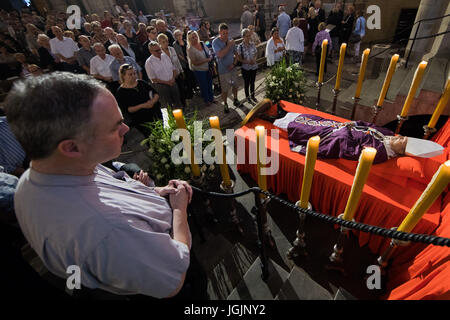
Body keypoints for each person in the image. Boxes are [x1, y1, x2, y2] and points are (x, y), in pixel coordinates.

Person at [4, 72, 206, 299]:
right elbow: (174, 278)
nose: (126, 130)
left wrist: (153, 191)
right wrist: (179, 208)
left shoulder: (56, 169)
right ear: (71, 147)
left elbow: (110, 185)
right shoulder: (105, 229)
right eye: (115, 126)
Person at [272, 112, 443, 164]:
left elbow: (350, 150)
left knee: (306, 128)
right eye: (402, 137)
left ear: (400, 152)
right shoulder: (390, 135)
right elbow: (369, 125)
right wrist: (354, 122)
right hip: (343, 128)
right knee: (317, 119)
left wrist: (345, 130)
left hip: (335, 137)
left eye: (401, 141)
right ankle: (282, 113)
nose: (399, 137)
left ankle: (273, 120)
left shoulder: (381, 153)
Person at [115, 64, 162, 135]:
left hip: (155, 114)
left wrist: (152, 102)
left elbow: (156, 94)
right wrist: (143, 106)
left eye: (134, 73)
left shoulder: (141, 83)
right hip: (142, 121)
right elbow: (127, 109)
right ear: (123, 76)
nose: (133, 76)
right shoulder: (121, 92)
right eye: (130, 74)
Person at [145, 41, 183, 109]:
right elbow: (153, 79)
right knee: (168, 106)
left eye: (160, 49)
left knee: (178, 102)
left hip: (173, 82)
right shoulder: (149, 62)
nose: (159, 51)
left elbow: (173, 68)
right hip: (162, 87)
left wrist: (173, 78)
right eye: (157, 50)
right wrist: (167, 82)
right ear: (151, 51)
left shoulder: (165, 56)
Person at [212, 23, 240, 113]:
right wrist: (228, 45)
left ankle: (235, 99)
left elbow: (237, 54)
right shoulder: (215, 42)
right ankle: (225, 103)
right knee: (225, 89)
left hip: (233, 69)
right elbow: (220, 54)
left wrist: (234, 64)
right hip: (223, 71)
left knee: (235, 85)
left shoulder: (230, 40)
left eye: (227, 33)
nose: (226, 36)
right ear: (219, 32)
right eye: (223, 33)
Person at [157, 33, 186, 107]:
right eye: (163, 42)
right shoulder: (159, 54)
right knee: (173, 95)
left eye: (166, 41)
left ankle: (184, 106)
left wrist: (181, 71)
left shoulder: (172, 49)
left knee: (181, 91)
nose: (165, 43)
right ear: (159, 43)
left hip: (178, 73)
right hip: (169, 77)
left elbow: (177, 61)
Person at [186, 30, 214, 105]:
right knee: (203, 86)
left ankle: (211, 99)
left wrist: (210, 56)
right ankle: (207, 101)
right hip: (199, 70)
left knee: (210, 84)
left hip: (207, 68)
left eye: (195, 36)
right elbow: (194, 63)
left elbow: (208, 51)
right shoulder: (190, 49)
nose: (194, 38)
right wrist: (206, 60)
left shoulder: (201, 43)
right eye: (192, 37)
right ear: (189, 39)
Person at [173, 29, 196, 99]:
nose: (179, 36)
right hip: (183, 63)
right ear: (175, 36)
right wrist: (186, 60)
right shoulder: (175, 44)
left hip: (190, 61)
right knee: (187, 78)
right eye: (177, 35)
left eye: (180, 34)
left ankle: (194, 87)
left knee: (192, 76)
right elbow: (178, 55)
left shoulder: (185, 41)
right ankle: (190, 93)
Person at [237, 28, 258, 105]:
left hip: (254, 66)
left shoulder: (252, 44)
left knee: (252, 82)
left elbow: (256, 53)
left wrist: (254, 59)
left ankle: (253, 95)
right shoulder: (240, 47)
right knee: (247, 83)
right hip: (246, 68)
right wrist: (247, 61)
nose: (249, 37)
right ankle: (247, 97)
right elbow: (239, 58)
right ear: (243, 37)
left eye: (249, 36)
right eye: (247, 36)